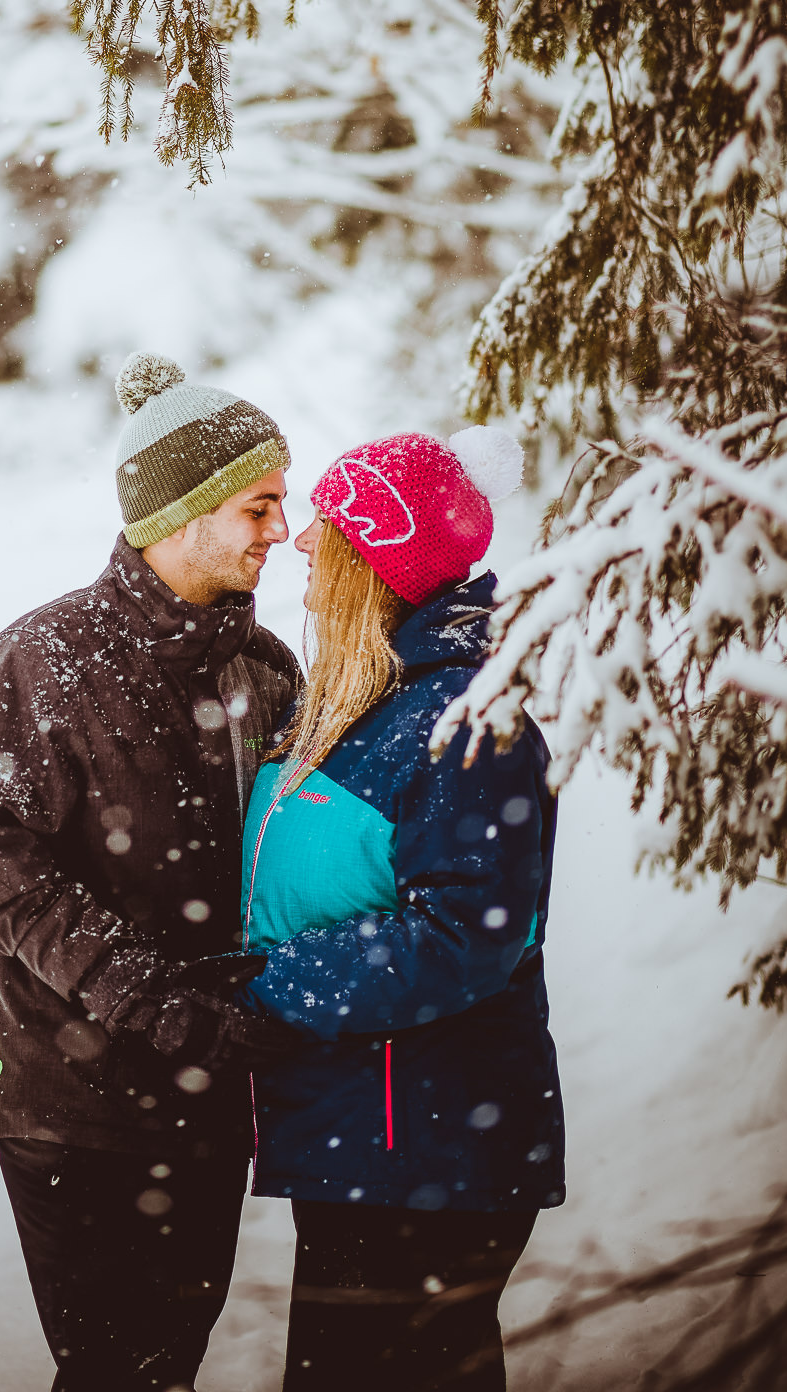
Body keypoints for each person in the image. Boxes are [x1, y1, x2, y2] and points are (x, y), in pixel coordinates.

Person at [0, 351, 306, 1392]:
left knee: (169, 1366)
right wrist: (153, 998)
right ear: (180, 512)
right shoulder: (39, 661)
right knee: (114, 1371)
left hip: (208, 1101)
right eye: (258, 504)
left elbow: (286, 859)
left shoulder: (264, 669)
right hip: (72, 1096)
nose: (278, 530)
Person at [240, 426, 565, 1392]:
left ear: (376, 563)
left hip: (425, 1148)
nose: (299, 542)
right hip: (367, 1136)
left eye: (328, 530)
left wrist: (272, 983)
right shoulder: (365, 705)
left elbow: (466, 936)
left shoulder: (463, 719)